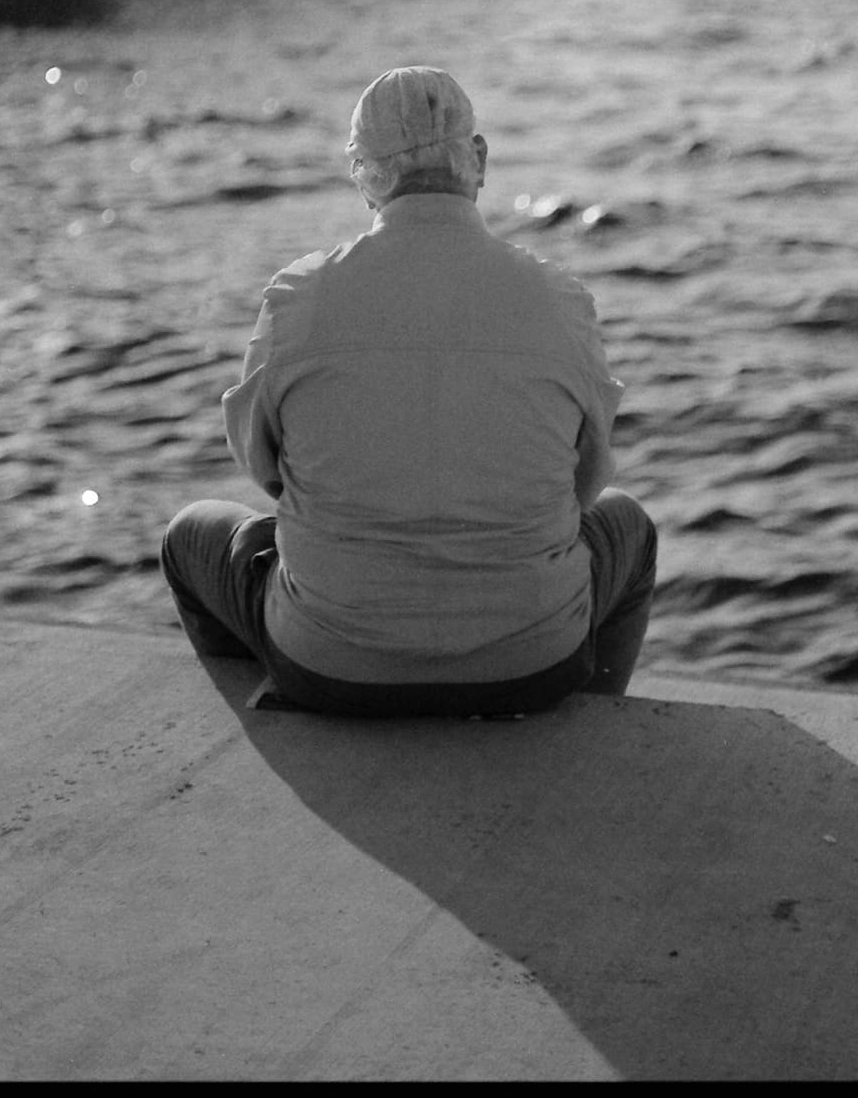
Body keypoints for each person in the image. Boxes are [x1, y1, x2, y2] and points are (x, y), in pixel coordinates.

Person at [161, 67, 657, 718]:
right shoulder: (558, 298)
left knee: (190, 536)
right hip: (534, 667)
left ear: (361, 173)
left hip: (330, 668)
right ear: (477, 159)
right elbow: (585, 485)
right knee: (628, 525)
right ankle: (585, 732)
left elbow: (266, 472)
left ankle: (273, 723)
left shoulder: (299, 298)